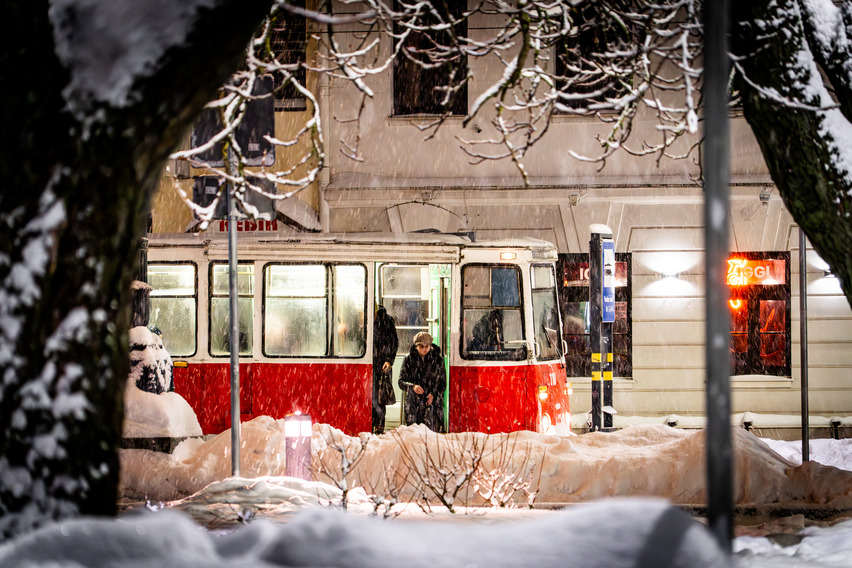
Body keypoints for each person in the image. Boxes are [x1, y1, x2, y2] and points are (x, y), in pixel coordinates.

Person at [398, 331, 446, 432]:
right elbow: (401, 382)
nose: (424, 349)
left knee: (431, 434)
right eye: (421, 346)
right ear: (416, 346)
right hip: (413, 404)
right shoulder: (408, 359)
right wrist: (413, 386)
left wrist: (433, 394)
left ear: (430, 346)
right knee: (414, 433)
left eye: (427, 346)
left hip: (433, 405)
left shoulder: (438, 360)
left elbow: (442, 383)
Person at [372, 304, 399, 434]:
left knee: (380, 396)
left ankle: (379, 425)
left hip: (382, 364)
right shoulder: (363, 320)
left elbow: (394, 342)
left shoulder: (387, 320)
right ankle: (370, 422)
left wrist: (389, 360)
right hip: (369, 363)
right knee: (369, 395)